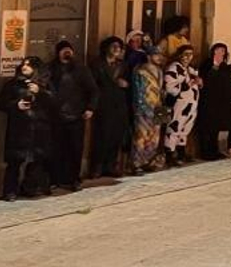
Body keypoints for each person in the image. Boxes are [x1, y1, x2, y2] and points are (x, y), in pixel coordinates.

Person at [47, 39, 98, 192]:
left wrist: (90, 108)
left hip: (76, 116)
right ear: (58, 53)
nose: (67, 52)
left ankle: (73, 179)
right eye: (64, 50)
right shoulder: (50, 69)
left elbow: (93, 90)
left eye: (69, 49)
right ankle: (54, 179)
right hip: (56, 116)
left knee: (75, 149)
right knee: (56, 149)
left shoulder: (81, 69)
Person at [0, 57, 55, 199]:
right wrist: (16, 105)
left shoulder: (45, 84)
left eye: (29, 65)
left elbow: (54, 104)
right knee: (14, 161)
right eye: (23, 64)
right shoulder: (13, 84)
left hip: (39, 128)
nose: (24, 67)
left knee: (36, 161)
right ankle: (10, 191)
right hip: (19, 129)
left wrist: (40, 91)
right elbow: (2, 103)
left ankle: (29, 187)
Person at [88, 37, 131, 179]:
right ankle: (97, 167)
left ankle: (111, 165)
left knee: (116, 136)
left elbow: (129, 83)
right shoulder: (97, 64)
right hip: (103, 104)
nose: (117, 49)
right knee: (102, 136)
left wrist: (126, 84)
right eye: (113, 46)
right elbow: (92, 85)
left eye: (119, 47)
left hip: (119, 104)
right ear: (106, 47)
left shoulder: (123, 65)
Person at [196, 43, 231, 159]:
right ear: (214, 51)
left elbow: (229, 82)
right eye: (219, 50)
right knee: (207, 127)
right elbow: (204, 79)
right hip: (208, 100)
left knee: (216, 128)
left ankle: (215, 150)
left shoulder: (225, 67)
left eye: (223, 51)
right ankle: (205, 152)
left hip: (221, 102)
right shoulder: (206, 65)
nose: (221, 53)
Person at [163, 44, 200, 166]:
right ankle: (169, 154)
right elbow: (170, 87)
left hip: (191, 103)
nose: (188, 57)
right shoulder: (174, 68)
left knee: (185, 128)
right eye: (186, 54)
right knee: (175, 127)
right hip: (180, 103)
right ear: (180, 55)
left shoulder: (190, 69)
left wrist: (199, 82)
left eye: (191, 54)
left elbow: (196, 81)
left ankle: (181, 152)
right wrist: (186, 85)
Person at [130, 48, 165, 174]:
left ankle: (149, 160)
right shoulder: (141, 70)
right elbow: (138, 91)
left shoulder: (160, 71)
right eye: (156, 55)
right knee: (141, 136)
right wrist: (138, 108)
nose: (159, 57)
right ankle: (137, 163)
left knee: (155, 136)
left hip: (157, 105)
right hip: (144, 106)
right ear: (149, 56)